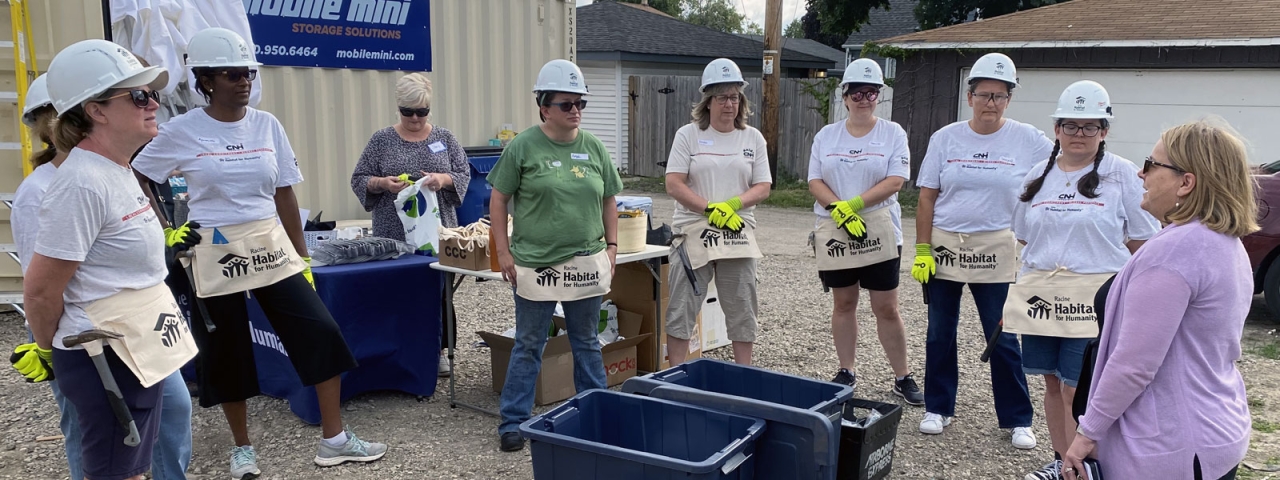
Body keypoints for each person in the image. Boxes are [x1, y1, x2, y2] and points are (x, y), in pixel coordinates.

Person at [131, 28, 386, 479]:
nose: (244, 82)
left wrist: (303, 258)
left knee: (321, 333)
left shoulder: (268, 125)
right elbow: (138, 174)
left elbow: (285, 192)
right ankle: (242, 448)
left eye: (247, 72)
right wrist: (165, 229)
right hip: (216, 249)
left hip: (269, 245)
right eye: (231, 74)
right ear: (206, 80)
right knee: (226, 351)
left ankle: (335, 440)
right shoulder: (182, 130)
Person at [17, 40, 189, 480]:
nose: (154, 103)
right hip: (105, 354)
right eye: (138, 96)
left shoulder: (116, 169)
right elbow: (40, 290)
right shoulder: (82, 184)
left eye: (152, 93)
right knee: (117, 473)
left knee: (135, 467)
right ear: (96, 110)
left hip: (136, 343)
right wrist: (48, 350)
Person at [1062, 119, 1255, 480]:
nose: (1140, 173)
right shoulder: (1224, 242)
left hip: (1170, 446)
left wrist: (1088, 432)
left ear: (1186, 182)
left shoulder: (1175, 251)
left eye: (1152, 164)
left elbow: (1134, 363)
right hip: (1216, 431)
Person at [1007, 80, 1159, 480]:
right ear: (1057, 129)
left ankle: (1089, 466)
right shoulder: (1036, 176)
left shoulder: (1121, 175)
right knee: (1053, 385)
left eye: (1090, 126)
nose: (1079, 134)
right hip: (1042, 296)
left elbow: (1143, 241)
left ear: (1104, 131)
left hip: (1092, 300)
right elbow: (1025, 236)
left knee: (1081, 389)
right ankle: (1063, 462)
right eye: (1070, 126)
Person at [911, 52, 1047, 448]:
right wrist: (922, 249)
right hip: (947, 245)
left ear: (1009, 100)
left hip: (996, 246)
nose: (992, 103)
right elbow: (926, 198)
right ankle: (938, 407)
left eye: (1000, 96)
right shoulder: (946, 138)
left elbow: (1057, 176)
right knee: (940, 332)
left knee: (1002, 334)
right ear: (969, 96)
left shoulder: (1028, 140)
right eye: (985, 94)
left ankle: (1018, 418)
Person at [487, 58, 623, 452]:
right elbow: (498, 199)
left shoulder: (593, 146)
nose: (576, 111)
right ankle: (513, 421)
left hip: (585, 260)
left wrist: (613, 246)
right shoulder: (524, 147)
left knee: (586, 342)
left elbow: (610, 199)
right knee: (530, 343)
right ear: (544, 106)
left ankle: (596, 412)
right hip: (536, 263)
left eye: (580, 103)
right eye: (566, 104)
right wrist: (503, 251)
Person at [807, 58, 921, 405]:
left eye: (870, 92)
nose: (863, 98)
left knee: (886, 306)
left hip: (879, 227)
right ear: (845, 95)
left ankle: (902, 375)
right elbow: (815, 180)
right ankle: (846, 369)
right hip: (836, 226)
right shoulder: (827, 135)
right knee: (844, 302)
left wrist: (853, 205)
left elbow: (896, 179)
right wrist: (837, 209)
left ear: (878, 96)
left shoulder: (892, 133)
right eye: (856, 91)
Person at [350, 72, 470, 377]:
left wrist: (441, 179)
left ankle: (440, 349)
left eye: (422, 112)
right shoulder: (381, 140)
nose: (415, 119)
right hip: (394, 230)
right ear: (398, 108)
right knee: (395, 289)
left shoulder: (444, 138)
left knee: (438, 291)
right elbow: (359, 178)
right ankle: (395, 349)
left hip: (436, 231)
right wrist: (382, 184)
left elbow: (463, 174)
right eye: (408, 112)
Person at [664, 58, 771, 367]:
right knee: (682, 307)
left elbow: (763, 186)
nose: (729, 104)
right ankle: (677, 377)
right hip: (694, 229)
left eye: (735, 96)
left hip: (737, 231)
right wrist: (710, 208)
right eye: (722, 97)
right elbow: (673, 183)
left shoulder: (752, 138)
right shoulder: (688, 135)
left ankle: (744, 376)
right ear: (707, 101)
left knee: (741, 307)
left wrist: (732, 206)